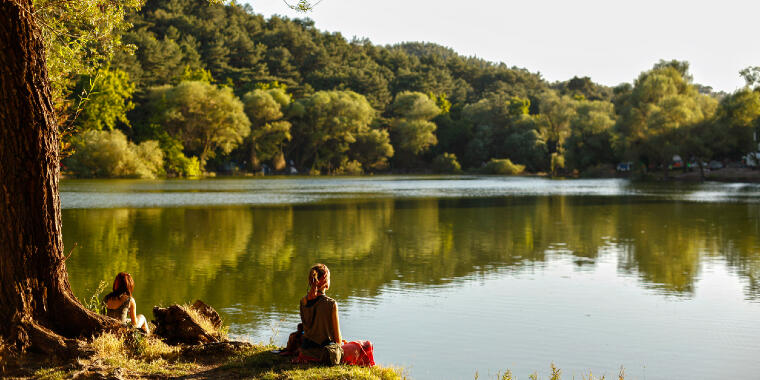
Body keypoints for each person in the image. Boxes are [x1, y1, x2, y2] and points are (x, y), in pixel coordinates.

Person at [297, 263, 344, 364]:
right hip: (324, 353)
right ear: (326, 282)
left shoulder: (303, 301)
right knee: (363, 346)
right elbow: (338, 339)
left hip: (305, 350)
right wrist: (341, 344)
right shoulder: (331, 304)